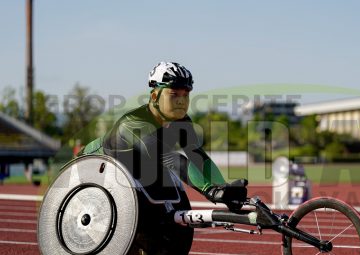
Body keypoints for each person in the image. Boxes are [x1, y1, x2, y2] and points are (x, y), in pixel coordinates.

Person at [79, 62, 247, 210]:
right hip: (92, 160)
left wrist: (224, 188)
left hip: (132, 167)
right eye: (174, 94)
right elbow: (169, 159)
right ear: (154, 96)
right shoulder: (135, 122)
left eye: (185, 94)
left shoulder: (181, 121)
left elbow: (197, 156)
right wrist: (210, 190)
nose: (181, 101)